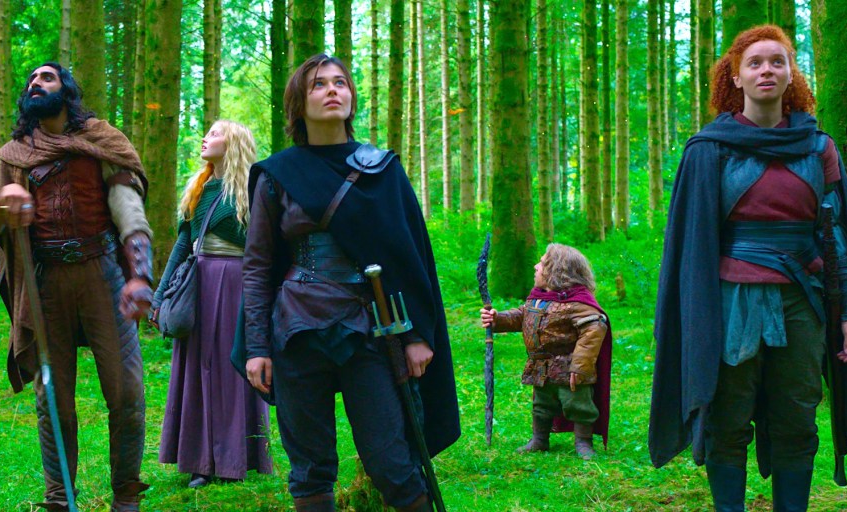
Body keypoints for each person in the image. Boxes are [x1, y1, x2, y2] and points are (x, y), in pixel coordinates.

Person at [648, 26, 847, 511]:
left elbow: (836, 237)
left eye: (778, 61)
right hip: (730, 301)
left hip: (802, 299)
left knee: (797, 417)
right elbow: (691, 248)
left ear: (791, 74)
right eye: (754, 63)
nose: (767, 71)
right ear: (735, 76)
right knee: (728, 418)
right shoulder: (709, 149)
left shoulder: (818, 148)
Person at [241, 54, 460, 512]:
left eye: (340, 82)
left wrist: (417, 335)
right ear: (299, 102)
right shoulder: (276, 175)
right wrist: (257, 345)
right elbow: (258, 266)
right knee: (310, 468)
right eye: (319, 84)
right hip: (296, 332)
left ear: (352, 97)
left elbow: (410, 257)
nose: (332, 90)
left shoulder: (381, 170)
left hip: (369, 330)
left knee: (392, 463)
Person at [0, 62, 153, 511]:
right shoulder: (13, 155)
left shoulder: (102, 140)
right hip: (44, 285)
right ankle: (59, 498)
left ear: (67, 91)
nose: (37, 83)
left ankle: (126, 495)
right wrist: (1, 203)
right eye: (31, 80)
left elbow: (128, 208)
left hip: (103, 277)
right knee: (53, 398)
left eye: (47, 77)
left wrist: (139, 275)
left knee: (126, 392)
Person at [151, 120, 273, 487]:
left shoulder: (254, 189)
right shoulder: (199, 188)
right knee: (196, 370)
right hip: (197, 286)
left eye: (216, 134)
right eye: (207, 133)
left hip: (237, 285)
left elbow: (265, 248)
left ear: (234, 144)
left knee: (231, 369)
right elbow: (182, 246)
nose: (206, 138)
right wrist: (159, 296)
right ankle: (199, 460)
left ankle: (234, 458)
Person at [479, 244, 612, 460]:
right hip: (540, 367)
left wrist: (579, 367)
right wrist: (498, 319)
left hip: (569, 368)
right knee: (541, 404)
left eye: (541, 264)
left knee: (578, 404)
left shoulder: (577, 303)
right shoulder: (538, 299)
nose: (535, 266)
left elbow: (594, 329)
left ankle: (583, 442)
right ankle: (539, 440)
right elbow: (522, 316)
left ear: (557, 271)